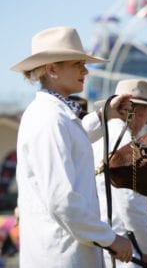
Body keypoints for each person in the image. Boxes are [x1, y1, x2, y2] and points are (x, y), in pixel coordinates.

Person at [10, 26, 133, 268]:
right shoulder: (49, 119)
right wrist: (111, 239)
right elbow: (61, 200)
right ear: (52, 68)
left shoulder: (54, 115)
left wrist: (104, 115)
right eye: (77, 63)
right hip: (62, 258)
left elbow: (73, 139)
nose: (85, 70)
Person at [88, 79, 147, 268]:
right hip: (123, 249)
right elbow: (131, 203)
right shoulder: (125, 142)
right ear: (130, 111)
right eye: (146, 113)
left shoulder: (94, 137)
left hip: (97, 244)